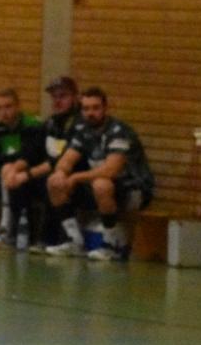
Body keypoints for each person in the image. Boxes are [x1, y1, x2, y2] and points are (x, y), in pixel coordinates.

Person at [46, 87, 154, 261]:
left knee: (101, 184)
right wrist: (61, 172)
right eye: (86, 109)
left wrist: (75, 177)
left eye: (95, 108)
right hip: (102, 187)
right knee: (54, 181)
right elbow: (67, 159)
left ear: (105, 108)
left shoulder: (119, 131)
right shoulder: (83, 131)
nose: (91, 113)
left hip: (133, 189)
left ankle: (111, 244)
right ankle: (74, 240)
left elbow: (110, 170)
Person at [0, 76, 82, 252]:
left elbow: (57, 161)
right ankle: (18, 234)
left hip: (74, 177)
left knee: (50, 181)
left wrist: (26, 174)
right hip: (49, 174)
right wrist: (15, 169)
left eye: (63, 96)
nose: (57, 101)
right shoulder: (50, 123)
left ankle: (51, 239)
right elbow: (31, 152)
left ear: (75, 97)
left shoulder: (79, 125)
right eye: (54, 97)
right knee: (17, 181)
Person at [0, 88, 42, 250]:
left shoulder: (31, 125)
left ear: (18, 106)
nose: (3, 112)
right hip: (7, 176)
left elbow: (28, 156)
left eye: (8, 106)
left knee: (8, 169)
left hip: (32, 176)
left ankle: (5, 229)